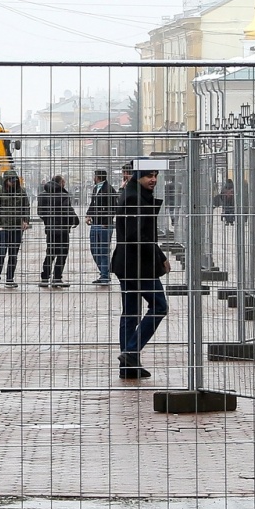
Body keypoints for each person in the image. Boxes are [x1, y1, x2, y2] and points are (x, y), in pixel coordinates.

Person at [111, 162, 169, 379]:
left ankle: (128, 366)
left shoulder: (134, 193)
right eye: (148, 176)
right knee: (160, 306)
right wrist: (159, 256)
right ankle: (131, 352)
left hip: (128, 263)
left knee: (131, 313)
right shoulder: (134, 197)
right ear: (138, 177)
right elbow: (137, 236)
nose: (153, 179)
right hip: (137, 265)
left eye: (155, 175)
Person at [0, 171, 30, 288]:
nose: (13, 182)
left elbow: (26, 207)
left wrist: (26, 221)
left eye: (14, 180)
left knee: (13, 254)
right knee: (1, 253)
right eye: (11, 180)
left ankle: (10, 279)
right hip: (3, 229)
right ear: (6, 180)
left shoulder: (21, 193)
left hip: (16, 228)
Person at [38, 175, 77, 287]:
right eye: (63, 182)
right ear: (60, 183)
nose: (64, 184)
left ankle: (45, 277)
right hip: (63, 229)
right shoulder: (63, 195)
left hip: (50, 229)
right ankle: (57, 278)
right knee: (62, 253)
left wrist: (48, 221)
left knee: (50, 253)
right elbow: (67, 211)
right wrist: (74, 220)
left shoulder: (42, 195)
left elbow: (40, 212)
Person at [85, 168, 117, 285]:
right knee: (94, 249)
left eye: (94, 176)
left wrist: (107, 221)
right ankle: (105, 272)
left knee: (103, 251)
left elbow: (114, 207)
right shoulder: (96, 189)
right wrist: (88, 215)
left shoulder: (109, 190)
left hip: (104, 225)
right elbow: (93, 204)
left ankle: (104, 275)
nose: (93, 178)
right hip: (95, 223)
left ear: (98, 177)